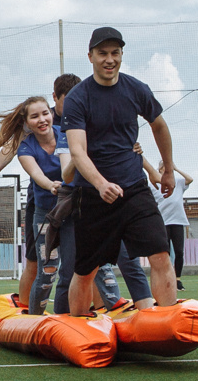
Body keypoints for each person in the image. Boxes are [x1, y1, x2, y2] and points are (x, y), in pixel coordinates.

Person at [62, 27, 180, 319]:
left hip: (134, 189)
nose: (109, 59)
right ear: (90, 56)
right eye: (102, 53)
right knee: (86, 269)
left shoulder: (136, 89)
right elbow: (77, 150)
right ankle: (79, 324)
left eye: (115, 53)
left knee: (160, 255)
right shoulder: (78, 98)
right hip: (92, 193)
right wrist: (101, 184)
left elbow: (160, 126)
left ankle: (167, 320)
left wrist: (167, 170)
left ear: (121, 56)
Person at [0, 95, 71, 314]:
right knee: (46, 268)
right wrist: (51, 185)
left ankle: (76, 313)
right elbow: (35, 172)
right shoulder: (26, 146)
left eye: (45, 114)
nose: (42, 119)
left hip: (71, 208)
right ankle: (31, 316)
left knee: (78, 266)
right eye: (35, 116)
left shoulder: (66, 135)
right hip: (45, 210)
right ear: (27, 122)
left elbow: (75, 156)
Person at [142, 157, 194, 283]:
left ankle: (178, 279)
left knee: (179, 252)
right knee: (164, 253)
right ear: (160, 169)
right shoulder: (154, 184)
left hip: (178, 221)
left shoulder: (178, 182)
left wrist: (175, 168)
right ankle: (166, 278)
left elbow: (190, 179)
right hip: (163, 222)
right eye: (165, 166)